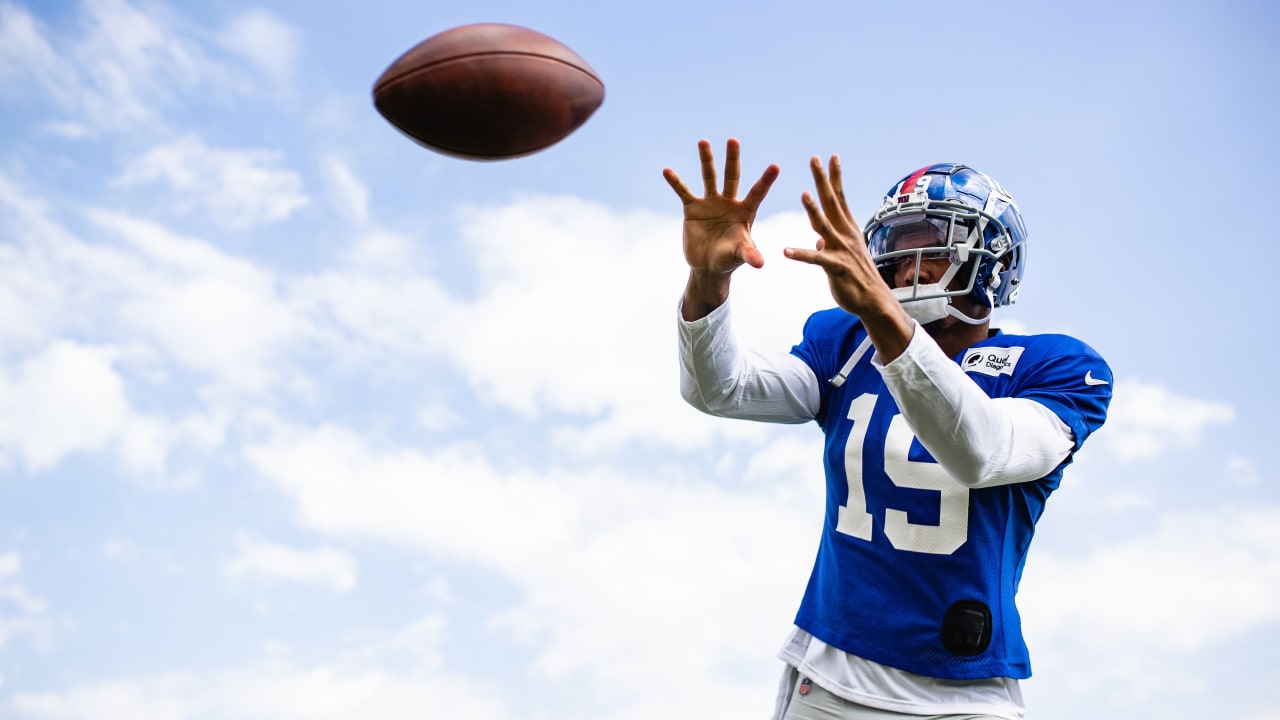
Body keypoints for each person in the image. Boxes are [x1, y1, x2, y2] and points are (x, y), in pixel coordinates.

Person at [664, 139, 1112, 720]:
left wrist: (881, 315)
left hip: (964, 694)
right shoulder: (845, 343)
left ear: (988, 264)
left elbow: (979, 450)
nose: (905, 266)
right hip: (830, 674)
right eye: (897, 248)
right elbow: (721, 389)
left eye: (928, 246)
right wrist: (706, 279)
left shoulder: (1052, 366)